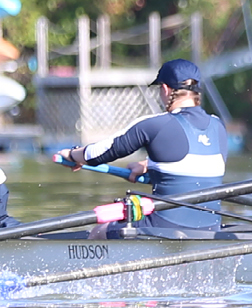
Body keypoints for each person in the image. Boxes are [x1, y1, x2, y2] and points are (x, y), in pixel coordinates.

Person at [58, 58, 228, 233]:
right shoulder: (218, 126)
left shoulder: (155, 125)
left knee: (98, 232)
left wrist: (71, 155)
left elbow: (96, 155)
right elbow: (197, 163)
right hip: (211, 229)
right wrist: (149, 165)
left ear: (165, 89)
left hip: (164, 227)